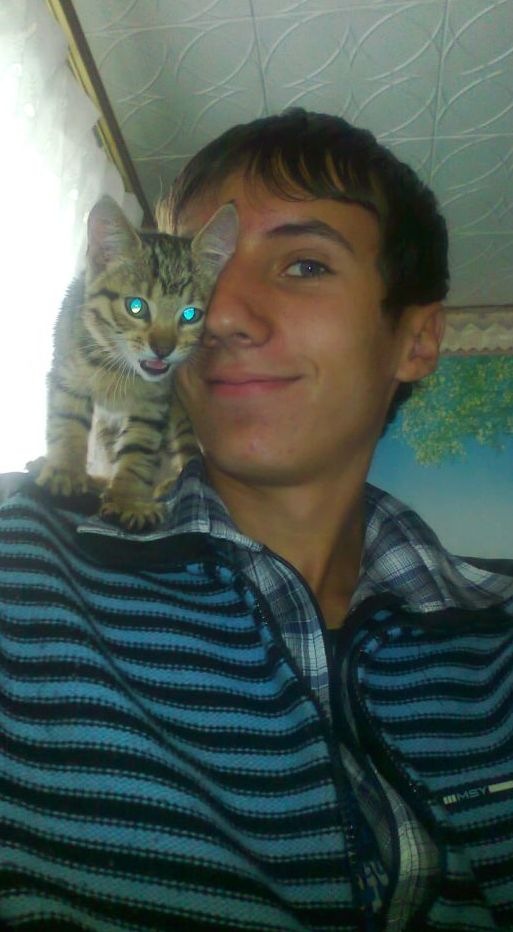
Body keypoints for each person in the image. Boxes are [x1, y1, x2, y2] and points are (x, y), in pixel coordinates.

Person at [1, 109, 513, 931]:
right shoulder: (23, 567)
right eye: (207, 276)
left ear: (417, 339)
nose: (217, 317)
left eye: (303, 264)